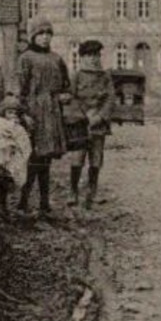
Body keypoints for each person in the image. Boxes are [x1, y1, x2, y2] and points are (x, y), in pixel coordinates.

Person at [17, 19, 70, 219]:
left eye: (49, 34)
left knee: (45, 159)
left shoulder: (56, 59)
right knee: (33, 158)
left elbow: (66, 85)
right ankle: (24, 199)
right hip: (33, 114)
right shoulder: (25, 58)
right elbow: (19, 89)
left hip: (52, 113)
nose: (45, 37)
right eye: (41, 33)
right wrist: (23, 114)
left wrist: (65, 95)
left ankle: (44, 203)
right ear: (33, 36)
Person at [68, 39, 113, 209]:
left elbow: (110, 99)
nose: (93, 59)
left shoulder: (105, 76)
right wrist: (84, 116)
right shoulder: (76, 76)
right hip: (80, 124)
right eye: (89, 55)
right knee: (77, 158)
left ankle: (92, 194)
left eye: (96, 55)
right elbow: (71, 98)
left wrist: (100, 116)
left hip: (99, 125)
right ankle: (73, 192)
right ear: (82, 57)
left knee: (96, 159)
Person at [0, 93, 31, 216]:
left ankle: (8, 209)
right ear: (3, 112)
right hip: (1, 158)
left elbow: (23, 140)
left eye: (15, 113)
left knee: (11, 184)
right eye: (9, 112)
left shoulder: (19, 126)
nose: (12, 115)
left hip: (12, 159)